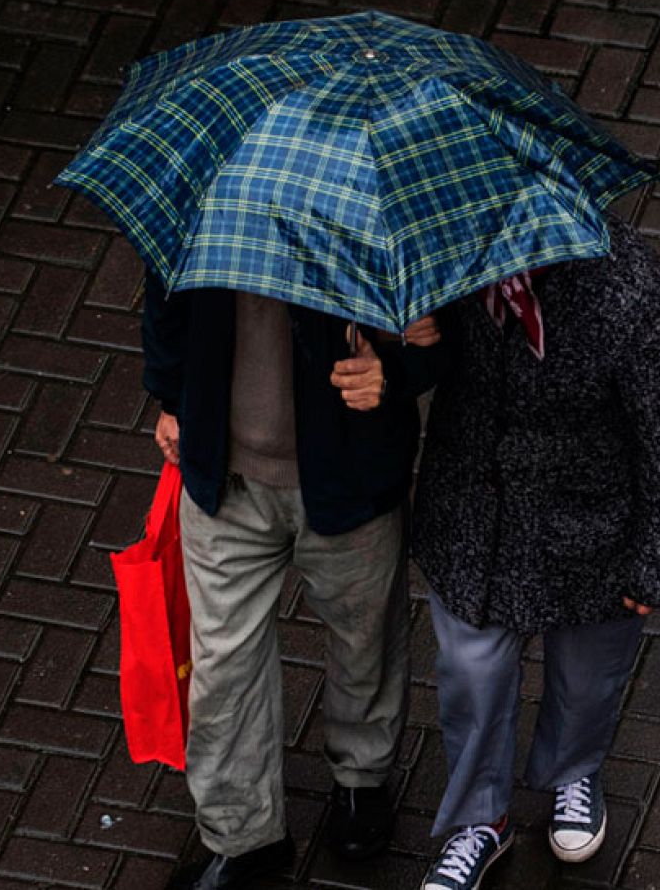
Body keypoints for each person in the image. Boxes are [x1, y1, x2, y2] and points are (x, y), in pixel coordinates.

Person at [408, 212, 660, 890]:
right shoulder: (445, 247)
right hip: (477, 510)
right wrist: (409, 344)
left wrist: (655, 560)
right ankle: (480, 819)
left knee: (586, 674)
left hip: (592, 519)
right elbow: (420, 366)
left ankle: (574, 772)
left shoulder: (631, 289)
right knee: (471, 673)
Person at [143, 272, 445, 890]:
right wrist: (170, 397)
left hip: (352, 479)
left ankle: (362, 780)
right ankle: (241, 834)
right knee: (222, 664)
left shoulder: (380, 194)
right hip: (222, 477)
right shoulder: (215, 191)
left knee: (365, 641)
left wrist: (398, 370)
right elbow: (166, 283)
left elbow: (449, 337)